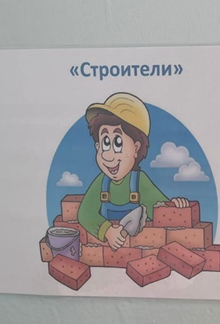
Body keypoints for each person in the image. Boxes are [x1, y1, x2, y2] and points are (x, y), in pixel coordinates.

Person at [77, 92, 190, 249]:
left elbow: (158, 209)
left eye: (118, 143)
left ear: (136, 148)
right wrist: (107, 231)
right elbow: (85, 213)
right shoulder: (101, 183)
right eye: (105, 143)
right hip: (106, 255)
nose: (108, 155)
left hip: (137, 252)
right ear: (97, 147)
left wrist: (174, 207)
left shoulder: (140, 182)